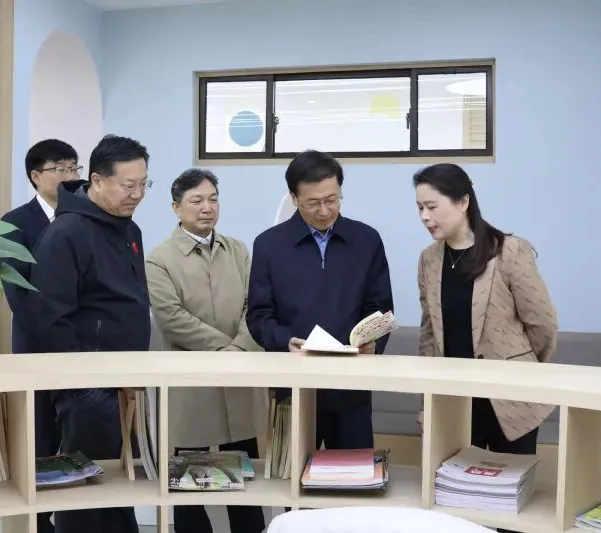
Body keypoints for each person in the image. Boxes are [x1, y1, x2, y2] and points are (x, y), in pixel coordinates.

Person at [414, 164, 556, 533]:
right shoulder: (429, 259)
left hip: (511, 397)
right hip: (455, 401)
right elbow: (429, 335)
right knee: (458, 506)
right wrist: (426, 399)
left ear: (463, 202)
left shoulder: (510, 251)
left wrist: (521, 369)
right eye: (420, 208)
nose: (425, 216)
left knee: (510, 507)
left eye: (432, 206)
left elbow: (542, 324)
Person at [29, 134, 152, 533]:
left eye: (143, 184)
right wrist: (85, 388)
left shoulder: (128, 229)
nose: (137, 194)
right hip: (89, 390)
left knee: (119, 487)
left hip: (126, 384)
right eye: (128, 185)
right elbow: (51, 319)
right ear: (97, 180)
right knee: (85, 493)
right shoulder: (66, 233)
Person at [246, 149, 394, 453]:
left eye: (332, 200)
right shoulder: (269, 245)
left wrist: (373, 342)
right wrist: (284, 341)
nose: (325, 211)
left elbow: (379, 307)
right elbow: (259, 315)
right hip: (293, 385)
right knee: (293, 477)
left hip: (351, 386)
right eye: (313, 203)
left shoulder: (366, 240)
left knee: (352, 473)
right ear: (294, 198)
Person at [145, 169, 267, 533]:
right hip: (192, 385)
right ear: (176, 207)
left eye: (213, 199)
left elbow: (255, 306)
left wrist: (241, 346)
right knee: (190, 482)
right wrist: (224, 348)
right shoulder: (160, 259)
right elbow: (171, 318)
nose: (207, 207)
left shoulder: (238, 250)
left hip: (239, 379)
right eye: (196, 200)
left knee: (244, 479)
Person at [0, 139, 80, 533]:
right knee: (39, 441)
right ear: (36, 176)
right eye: (60, 169)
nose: (71, 176)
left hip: (80, 353)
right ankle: (39, 524)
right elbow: (20, 296)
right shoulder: (14, 223)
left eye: (74, 168)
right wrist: (57, 341)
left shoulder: (85, 219)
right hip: (37, 351)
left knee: (79, 441)